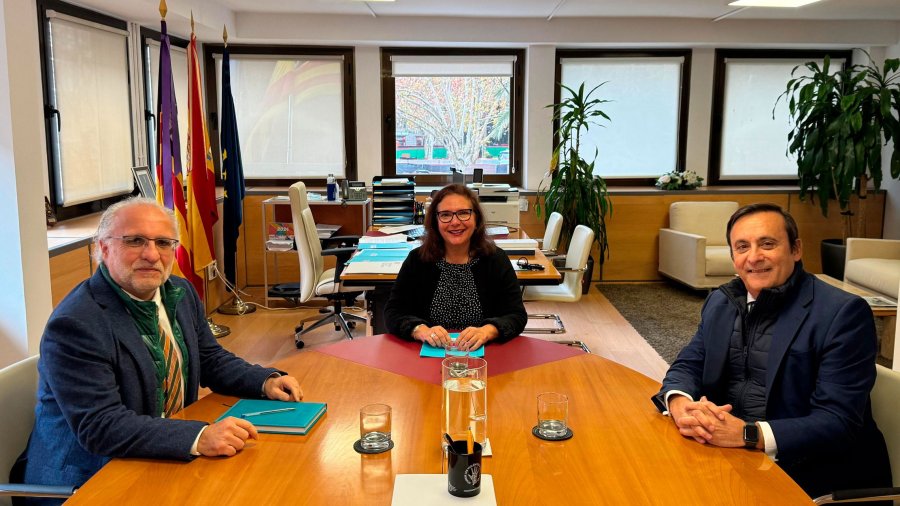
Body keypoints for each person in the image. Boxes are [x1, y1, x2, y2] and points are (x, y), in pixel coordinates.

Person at [15, 198, 303, 499]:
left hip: (154, 453)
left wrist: (264, 380)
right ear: (103, 248)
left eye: (164, 243)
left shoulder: (177, 292)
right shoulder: (76, 323)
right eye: (135, 241)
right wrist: (199, 435)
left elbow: (209, 359)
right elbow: (101, 427)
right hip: (88, 479)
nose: (152, 254)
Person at [652, 203, 891, 499]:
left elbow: (838, 421)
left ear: (796, 249)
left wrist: (746, 434)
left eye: (767, 243)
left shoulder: (843, 314)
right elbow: (689, 363)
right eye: (742, 247)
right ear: (733, 257)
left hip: (809, 473)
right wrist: (678, 403)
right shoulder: (721, 302)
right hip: (730, 457)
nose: (754, 257)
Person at [384, 184, 526, 350]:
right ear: (435, 221)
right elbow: (393, 312)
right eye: (445, 215)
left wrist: (488, 331)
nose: (455, 222)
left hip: (486, 357)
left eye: (463, 213)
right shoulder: (418, 260)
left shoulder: (495, 259)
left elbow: (517, 315)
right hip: (427, 355)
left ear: (476, 218)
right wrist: (419, 330)